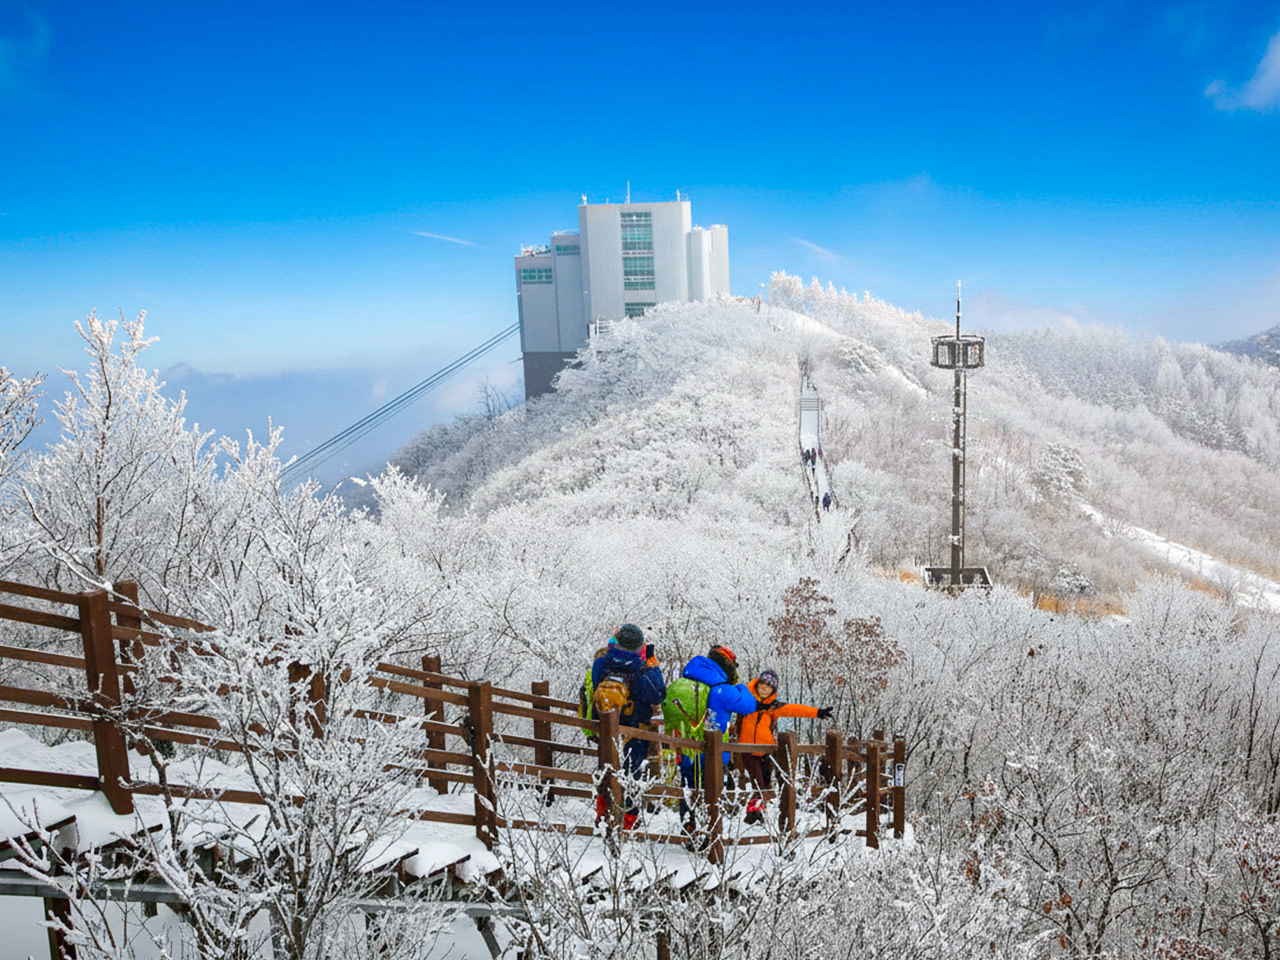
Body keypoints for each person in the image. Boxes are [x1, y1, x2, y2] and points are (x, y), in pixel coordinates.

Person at [665, 645, 757, 839]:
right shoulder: (721, 689)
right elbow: (749, 705)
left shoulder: (682, 682)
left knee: (689, 788)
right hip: (713, 754)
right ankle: (711, 834)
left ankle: (689, 829)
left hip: (688, 751)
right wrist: (741, 688)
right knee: (712, 792)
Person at [589, 623, 665, 830]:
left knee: (606, 768)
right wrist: (652, 664)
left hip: (605, 726)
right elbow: (658, 694)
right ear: (639, 646)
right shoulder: (641, 669)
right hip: (635, 729)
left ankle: (602, 814)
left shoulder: (601, 663)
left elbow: (594, 687)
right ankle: (629, 821)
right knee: (632, 774)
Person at [734, 669, 832, 824]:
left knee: (765, 784)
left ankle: (758, 811)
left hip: (766, 750)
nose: (765, 688)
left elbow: (794, 709)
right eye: (762, 685)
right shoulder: (746, 701)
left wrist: (817, 712)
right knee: (757, 782)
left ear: (773, 690)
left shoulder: (773, 707)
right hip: (746, 749)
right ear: (757, 685)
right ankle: (752, 813)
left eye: (769, 686)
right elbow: (728, 701)